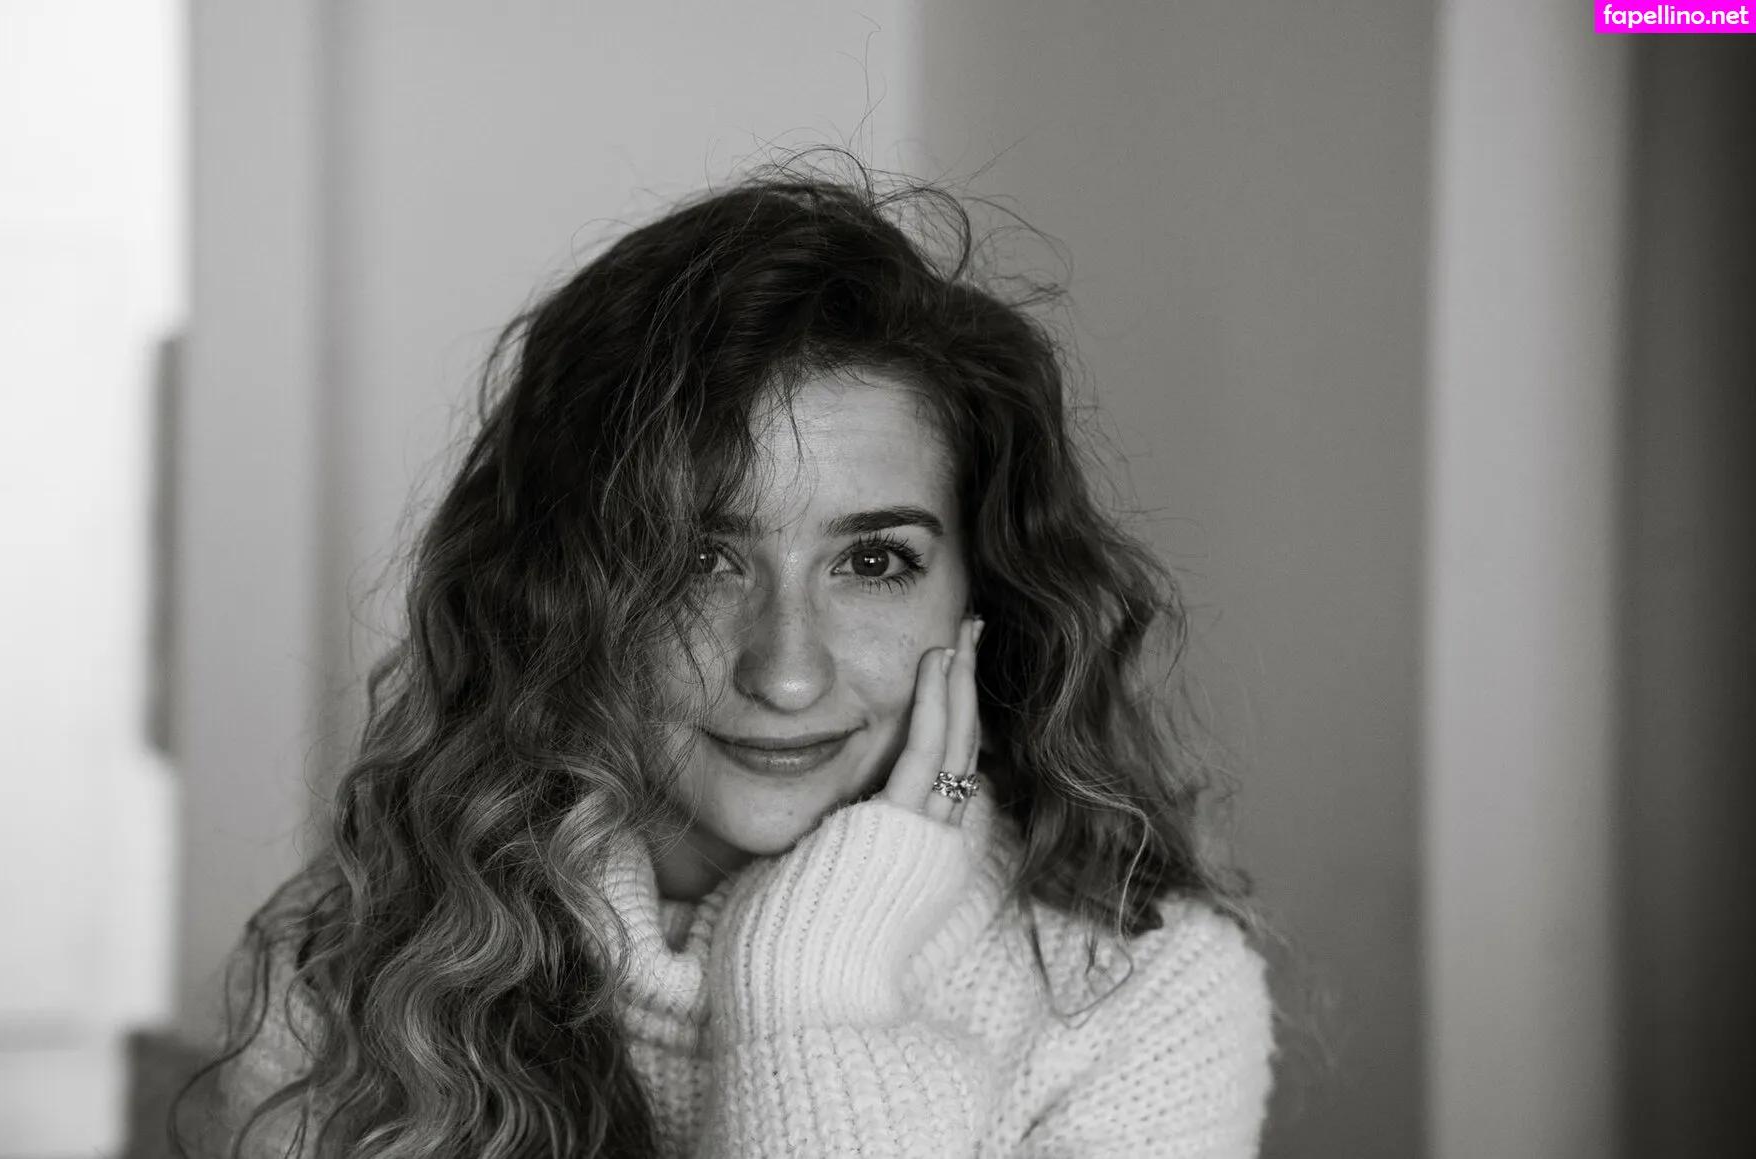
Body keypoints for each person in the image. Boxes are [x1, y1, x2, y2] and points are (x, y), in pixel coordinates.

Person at [174, 158, 1277, 1159]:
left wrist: (813, 991)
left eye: (875, 561)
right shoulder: (355, 963)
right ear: (563, 592)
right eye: (700, 558)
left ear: (980, 592)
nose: (786, 672)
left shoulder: (1138, 990)